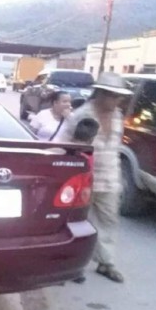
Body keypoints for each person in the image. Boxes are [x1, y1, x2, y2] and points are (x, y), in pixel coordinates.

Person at [55, 72, 133, 283]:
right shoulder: (82, 115)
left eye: (119, 96)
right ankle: (71, 265)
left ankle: (106, 263)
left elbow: (115, 147)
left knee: (109, 221)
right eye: (114, 96)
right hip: (85, 180)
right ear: (101, 93)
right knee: (78, 223)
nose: (117, 100)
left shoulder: (117, 115)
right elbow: (64, 146)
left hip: (110, 178)